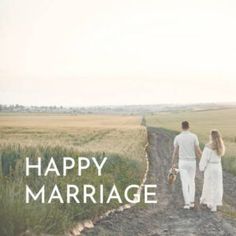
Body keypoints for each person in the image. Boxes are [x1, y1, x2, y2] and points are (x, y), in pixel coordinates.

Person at [171, 121, 202, 209]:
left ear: (181, 127)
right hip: (192, 162)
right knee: (192, 182)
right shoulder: (194, 136)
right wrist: (204, 159)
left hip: (182, 162)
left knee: (184, 183)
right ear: (189, 127)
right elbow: (198, 150)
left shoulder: (178, 137)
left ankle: (187, 204)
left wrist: (173, 162)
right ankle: (192, 202)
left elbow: (175, 151)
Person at [199, 129, 225, 212]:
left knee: (208, 184)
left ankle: (209, 203)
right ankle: (214, 204)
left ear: (211, 136)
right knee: (217, 185)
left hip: (210, 167)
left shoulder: (208, 146)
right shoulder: (220, 146)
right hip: (218, 167)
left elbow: (204, 159)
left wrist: (201, 168)